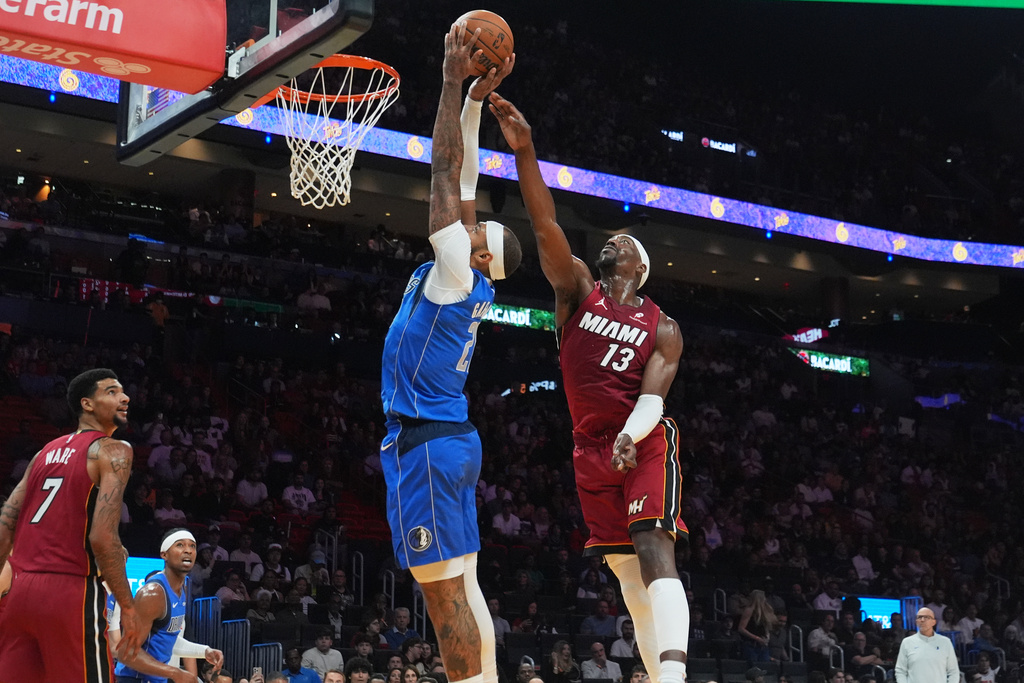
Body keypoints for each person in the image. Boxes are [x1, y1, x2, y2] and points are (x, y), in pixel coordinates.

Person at [491, 93, 688, 683]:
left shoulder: (663, 327)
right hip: (589, 448)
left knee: (653, 549)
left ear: (640, 268)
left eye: (625, 243)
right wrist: (525, 150)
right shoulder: (577, 290)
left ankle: (675, 676)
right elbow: (545, 224)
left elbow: (651, 399)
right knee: (628, 579)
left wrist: (630, 436)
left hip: (643, 441)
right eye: (611, 239)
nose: (613, 242)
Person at [378, 22, 517, 683]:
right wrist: (474, 104)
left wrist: (449, 80)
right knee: (464, 582)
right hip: (450, 438)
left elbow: (442, 170)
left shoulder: (459, 271)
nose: (469, 219)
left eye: (476, 228)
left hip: (429, 447)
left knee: (443, 597)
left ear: (481, 255)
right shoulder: (470, 275)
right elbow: (466, 170)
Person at [0, 368, 145, 680]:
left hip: (20, 593)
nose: (124, 398)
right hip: (69, 591)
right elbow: (102, 537)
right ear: (87, 404)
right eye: (112, 392)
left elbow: (5, 524)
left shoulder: (43, 453)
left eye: (123, 391)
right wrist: (128, 607)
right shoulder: (114, 450)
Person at [115, 528, 224, 682]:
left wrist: (204, 651)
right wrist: (174, 673)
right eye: (180, 545)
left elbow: (166, 640)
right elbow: (126, 651)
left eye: (192, 546)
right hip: (134, 679)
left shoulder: (181, 590)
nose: (188, 550)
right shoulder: (153, 594)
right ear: (164, 554)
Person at [894, 608, 958, 683]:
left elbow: (953, 671)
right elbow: (900, 670)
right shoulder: (907, 642)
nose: (922, 620)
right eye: (919, 617)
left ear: (934, 622)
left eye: (926, 617)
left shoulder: (945, 642)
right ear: (916, 622)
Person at [738, 589, 778, 662]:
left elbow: (766, 627)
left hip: (762, 645)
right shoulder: (749, 610)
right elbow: (741, 628)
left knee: (764, 665)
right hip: (751, 645)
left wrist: (767, 636)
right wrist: (757, 638)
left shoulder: (764, 612)